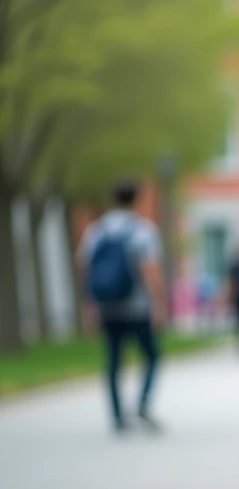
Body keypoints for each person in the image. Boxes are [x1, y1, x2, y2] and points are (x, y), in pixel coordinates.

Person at [77, 179, 167, 433]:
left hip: (107, 305)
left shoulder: (96, 231)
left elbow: (86, 269)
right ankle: (142, 404)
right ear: (136, 199)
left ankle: (117, 415)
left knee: (113, 360)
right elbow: (149, 269)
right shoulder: (142, 230)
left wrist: (88, 305)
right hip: (136, 305)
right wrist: (159, 302)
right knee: (151, 356)